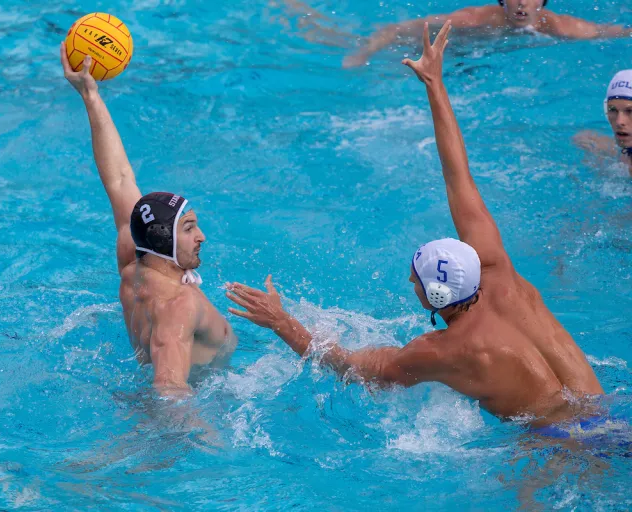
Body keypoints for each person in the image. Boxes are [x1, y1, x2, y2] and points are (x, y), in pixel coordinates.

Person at [226, 22, 604, 430]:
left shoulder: (443, 351)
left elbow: (351, 368)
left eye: (415, 281)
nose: (410, 281)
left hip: (561, 446)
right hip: (607, 413)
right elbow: (458, 176)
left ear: (435, 296)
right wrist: (434, 85)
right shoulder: (497, 269)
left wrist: (281, 322)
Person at [60, 44, 236, 397]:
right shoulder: (179, 306)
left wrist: (90, 94)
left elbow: (119, 179)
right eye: (188, 229)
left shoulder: (132, 260)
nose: (202, 237)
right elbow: (170, 389)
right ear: (161, 241)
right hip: (203, 403)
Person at [344, 0, 632, 68]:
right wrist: (363, 53)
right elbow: (395, 30)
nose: (521, 4)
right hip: (449, 50)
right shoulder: (471, 20)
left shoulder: (559, 27)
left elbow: (614, 32)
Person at [574, 70, 632, 176]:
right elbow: (581, 137)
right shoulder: (616, 154)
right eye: (613, 110)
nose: (619, 122)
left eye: (630, 111)